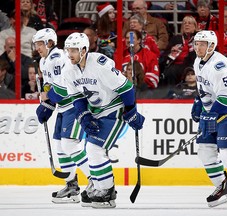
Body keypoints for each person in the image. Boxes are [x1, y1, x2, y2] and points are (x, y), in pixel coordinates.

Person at [60, 32, 145, 208]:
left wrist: (131, 111)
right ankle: (99, 187)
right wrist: (83, 115)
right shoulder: (68, 69)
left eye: (74, 50)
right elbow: (76, 97)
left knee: (94, 148)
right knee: (90, 149)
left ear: (84, 50)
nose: (70, 54)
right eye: (68, 50)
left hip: (115, 109)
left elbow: (127, 88)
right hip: (97, 110)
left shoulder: (100, 65)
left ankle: (107, 191)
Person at [33, 28, 91, 204]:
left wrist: (48, 96)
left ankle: (95, 180)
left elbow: (65, 90)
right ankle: (72, 187)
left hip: (74, 104)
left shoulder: (58, 59)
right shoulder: (44, 62)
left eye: (40, 44)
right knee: (59, 145)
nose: (37, 48)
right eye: (35, 44)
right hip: (63, 108)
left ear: (50, 42)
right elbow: (49, 86)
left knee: (69, 144)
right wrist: (46, 104)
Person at [191, 30, 227, 209]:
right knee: (205, 151)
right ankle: (222, 186)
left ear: (212, 46)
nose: (198, 47)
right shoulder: (197, 61)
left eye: (202, 44)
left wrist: (211, 114)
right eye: (196, 44)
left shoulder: (221, 65)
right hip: (212, 110)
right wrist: (199, 102)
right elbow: (203, 87)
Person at [160, 16, 197, 86]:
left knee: (187, 70)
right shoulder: (176, 38)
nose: (187, 25)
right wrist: (171, 51)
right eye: (184, 23)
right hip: (175, 64)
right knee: (170, 71)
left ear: (194, 27)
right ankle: (171, 94)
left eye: (189, 23)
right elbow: (165, 53)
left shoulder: (198, 38)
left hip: (191, 64)